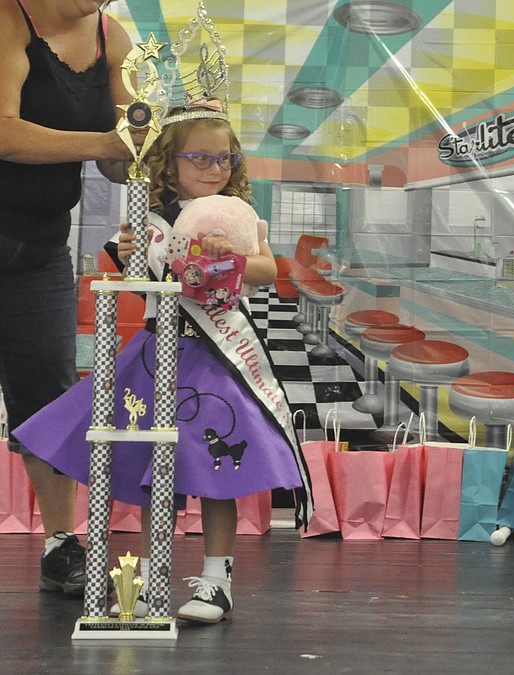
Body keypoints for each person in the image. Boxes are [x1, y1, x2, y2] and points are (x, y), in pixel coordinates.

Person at [12, 99, 312, 624]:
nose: (215, 169)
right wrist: (129, 250)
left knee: (220, 469)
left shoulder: (240, 216)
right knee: (158, 469)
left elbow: (267, 268)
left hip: (217, 358)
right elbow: (132, 275)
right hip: (158, 356)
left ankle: (217, 581)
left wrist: (229, 257)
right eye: (201, 158)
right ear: (170, 163)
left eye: (226, 160)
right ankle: (148, 581)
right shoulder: (147, 219)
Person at [0, 0, 138, 597]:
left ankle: (61, 546)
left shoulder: (115, 38)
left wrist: (152, 137)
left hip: (39, 246)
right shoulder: (8, 19)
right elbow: (2, 131)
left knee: (48, 395)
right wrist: (106, 141)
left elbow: (117, 162)